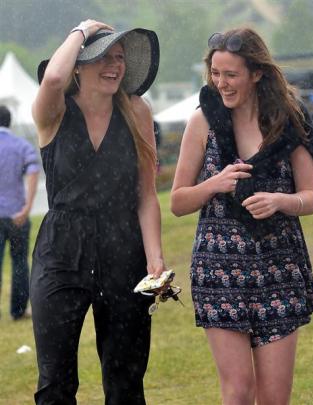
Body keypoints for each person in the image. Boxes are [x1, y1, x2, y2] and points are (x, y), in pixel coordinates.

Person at [171, 27, 313, 405]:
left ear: (257, 73)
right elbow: (178, 202)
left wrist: (280, 202)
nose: (221, 83)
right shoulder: (201, 122)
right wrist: (214, 184)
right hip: (219, 271)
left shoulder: (289, 121)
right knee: (237, 393)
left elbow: (311, 197)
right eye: (215, 74)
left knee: (274, 398)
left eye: (231, 74)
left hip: (279, 269)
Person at [30, 19, 165, 404]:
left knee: (125, 377)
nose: (114, 65)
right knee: (55, 381)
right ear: (78, 65)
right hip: (61, 249)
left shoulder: (137, 111)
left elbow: (146, 195)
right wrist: (80, 29)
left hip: (123, 248)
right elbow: (53, 80)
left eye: (120, 57)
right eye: (102, 57)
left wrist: (154, 258)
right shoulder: (53, 110)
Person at [0, 105, 39, 320]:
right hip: (17, 214)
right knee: (19, 262)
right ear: (9, 122)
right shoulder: (21, 145)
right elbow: (33, 172)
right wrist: (28, 206)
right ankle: (18, 310)